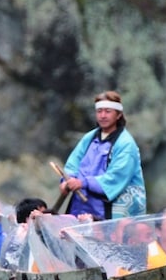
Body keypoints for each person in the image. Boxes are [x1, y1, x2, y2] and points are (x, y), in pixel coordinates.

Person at [57, 90, 146, 220]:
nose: (102, 116)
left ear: (118, 114)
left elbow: (116, 177)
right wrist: (67, 181)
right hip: (80, 204)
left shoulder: (126, 143)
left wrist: (83, 183)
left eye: (108, 111)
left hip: (108, 208)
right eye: (99, 111)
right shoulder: (89, 137)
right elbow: (73, 163)